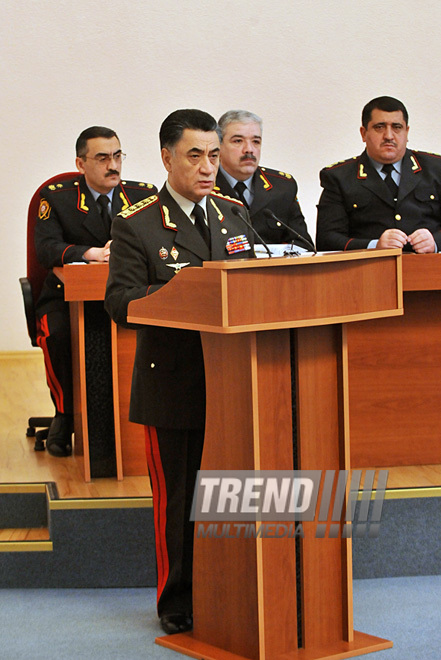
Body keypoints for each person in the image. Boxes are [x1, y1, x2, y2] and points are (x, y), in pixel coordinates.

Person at [104, 109, 254, 635]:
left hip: (238, 382)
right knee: (180, 499)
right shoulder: (138, 223)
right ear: (167, 157)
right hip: (173, 381)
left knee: (231, 491)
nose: (208, 167)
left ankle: (230, 583)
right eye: (195, 155)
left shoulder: (235, 215)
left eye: (214, 155)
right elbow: (120, 303)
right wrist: (182, 293)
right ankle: (178, 598)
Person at [35, 126, 156, 457]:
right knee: (57, 334)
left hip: (125, 293)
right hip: (64, 296)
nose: (113, 165)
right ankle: (65, 412)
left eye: (117, 156)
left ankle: (135, 417)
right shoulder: (58, 198)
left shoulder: (143, 196)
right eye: (102, 158)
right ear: (81, 163)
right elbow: (46, 249)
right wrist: (90, 253)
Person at [316, 96, 441, 253]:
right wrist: (374, 246)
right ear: (363, 133)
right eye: (379, 127)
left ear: (406, 132)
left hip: (430, 271)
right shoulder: (339, 177)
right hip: (367, 273)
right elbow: (326, 239)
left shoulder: (436, 169)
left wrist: (435, 243)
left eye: (397, 127)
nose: (389, 136)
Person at [215, 109, 313, 248]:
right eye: (238, 141)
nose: (249, 149)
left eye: (256, 141)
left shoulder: (282, 186)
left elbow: (304, 245)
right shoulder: (205, 186)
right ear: (219, 145)